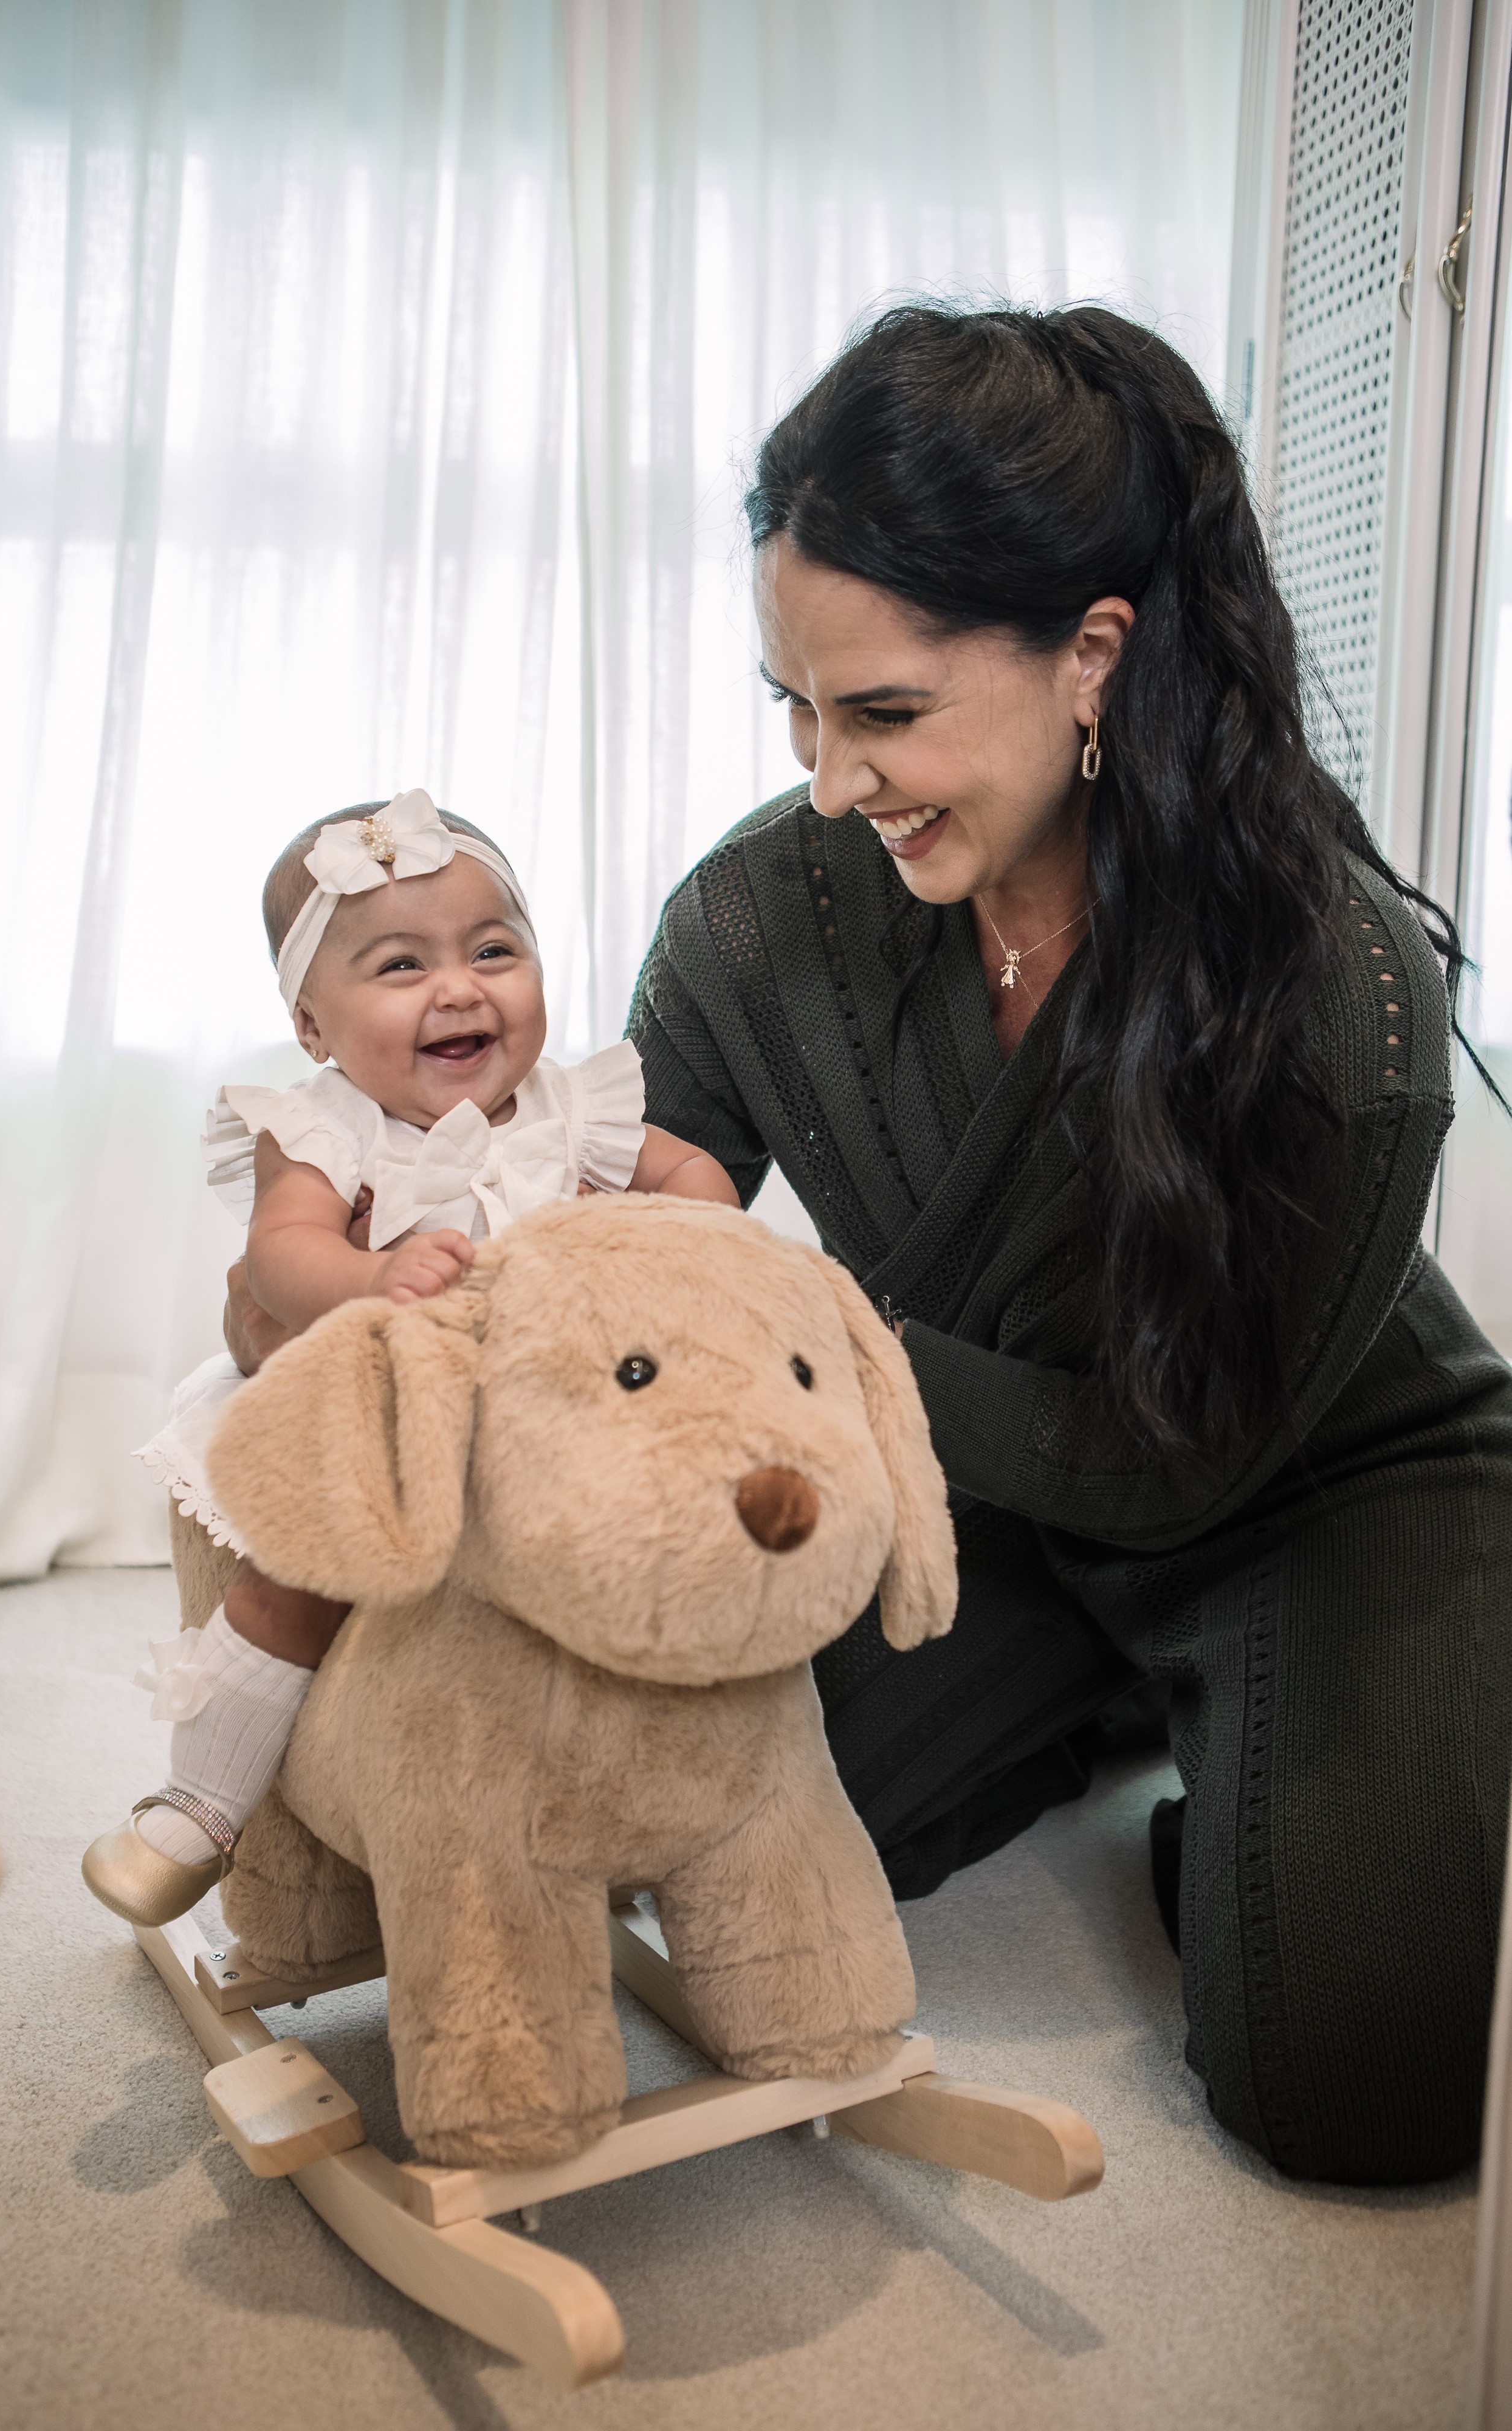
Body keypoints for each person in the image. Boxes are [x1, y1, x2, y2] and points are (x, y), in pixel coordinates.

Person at [620, 303, 1512, 2187]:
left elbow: (1167, 1462)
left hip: (1308, 1490)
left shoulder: (1335, 998)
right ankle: (1086, 1707)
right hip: (982, 1497)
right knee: (667, 1845)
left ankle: (1250, 1780)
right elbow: (636, 1271)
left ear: (1090, 657)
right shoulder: (761, 918)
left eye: (881, 711)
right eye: (792, 703)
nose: (828, 778)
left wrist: (801, 1322)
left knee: (1363, 2089)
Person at [82, 789, 736, 1930]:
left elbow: (691, 1177)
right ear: (313, 1026)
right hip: (380, 1409)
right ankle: (203, 1803)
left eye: (496, 950)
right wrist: (372, 1277)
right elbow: (280, 1256)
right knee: (299, 1572)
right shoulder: (330, 1128)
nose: (459, 987)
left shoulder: (574, 1109)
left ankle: (643, 1804)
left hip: (554, 1414)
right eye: (398, 967)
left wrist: (685, 1244)